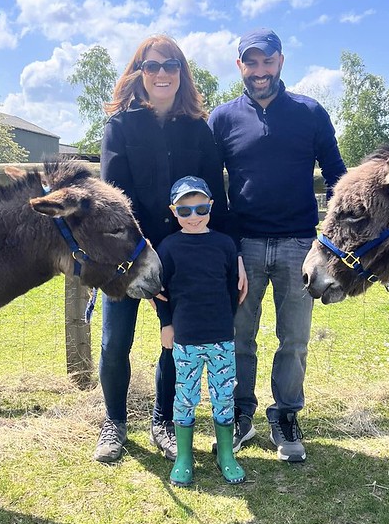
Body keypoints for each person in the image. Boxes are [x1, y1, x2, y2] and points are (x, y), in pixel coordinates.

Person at [208, 28, 346, 463]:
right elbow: (211, 187)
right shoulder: (222, 119)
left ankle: (285, 415)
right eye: (251, 62)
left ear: (281, 61)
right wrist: (229, 248)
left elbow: (339, 178)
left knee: (295, 341)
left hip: (300, 245)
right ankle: (241, 414)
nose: (260, 70)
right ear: (240, 66)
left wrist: (331, 239)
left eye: (267, 61)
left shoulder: (310, 113)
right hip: (244, 245)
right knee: (238, 337)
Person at [94, 35, 235, 464]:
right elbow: (113, 199)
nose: (161, 74)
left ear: (181, 73)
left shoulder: (198, 129)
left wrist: (231, 254)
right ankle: (114, 422)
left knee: (175, 342)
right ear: (139, 73)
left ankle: (163, 420)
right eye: (152, 66)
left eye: (170, 65)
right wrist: (140, 251)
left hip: (183, 258)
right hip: (128, 257)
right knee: (115, 343)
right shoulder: (119, 127)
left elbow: (216, 198)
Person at [155, 176, 245, 487]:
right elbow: (161, 292)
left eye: (201, 209)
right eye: (184, 211)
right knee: (185, 398)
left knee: (224, 396)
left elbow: (233, 289)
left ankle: (225, 454)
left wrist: (227, 321)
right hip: (185, 339)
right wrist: (166, 323)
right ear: (174, 211)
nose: (193, 217)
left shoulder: (224, 244)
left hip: (221, 338)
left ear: (211, 206)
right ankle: (184, 456)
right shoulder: (168, 247)